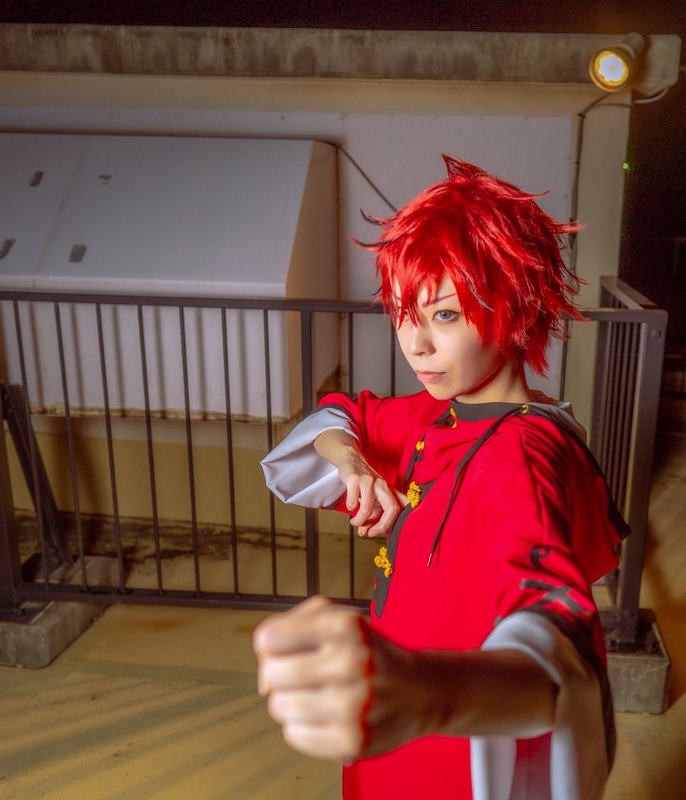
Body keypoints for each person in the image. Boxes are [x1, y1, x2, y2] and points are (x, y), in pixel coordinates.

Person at [254, 156, 628, 800]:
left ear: (515, 309)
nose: (415, 343)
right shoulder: (440, 411)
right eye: (405, 311)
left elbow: (556, 644)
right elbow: (337, 417)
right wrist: (351, 460)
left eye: (446, 315)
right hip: (390, 719)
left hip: (450, 744)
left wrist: (428, 695)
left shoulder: (521, 454)